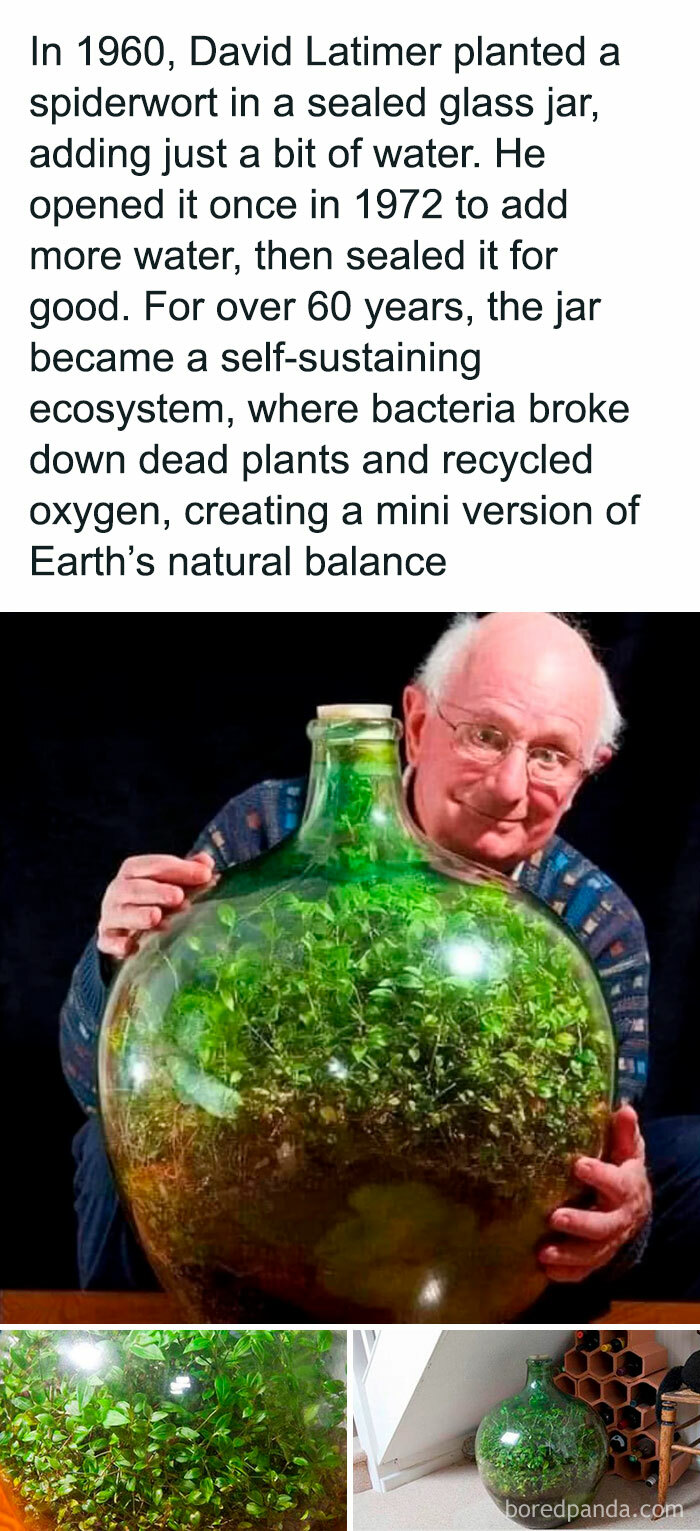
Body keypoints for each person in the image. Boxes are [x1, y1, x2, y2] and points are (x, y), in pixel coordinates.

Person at [58, 612, 688, 1305]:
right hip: (272, 1192)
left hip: (464, 1239)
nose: (511, 785)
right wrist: (116, 954)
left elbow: (593, 1165)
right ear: (416, 724)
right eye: (486, 735)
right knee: (107, 1145)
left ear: (586, 772)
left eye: (549, 755)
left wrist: (624, 1219)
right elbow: (97, 1083)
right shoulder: (266, 834)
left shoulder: (592, 918)